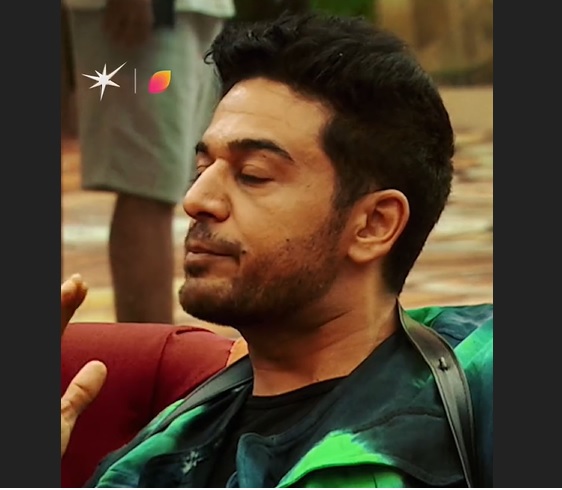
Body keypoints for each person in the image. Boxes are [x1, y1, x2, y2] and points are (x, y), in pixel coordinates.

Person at [61, 12, 493, 488]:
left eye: (252, 175)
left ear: (373, 224)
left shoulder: (483, 373)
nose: (196, 199)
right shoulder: (156, 462)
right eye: (201, 169)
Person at [64, 0, 235, 323]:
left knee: (171, 179)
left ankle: (154, 341)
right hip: (151, 14)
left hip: (195, 9)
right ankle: (149, 345)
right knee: (147, 186)